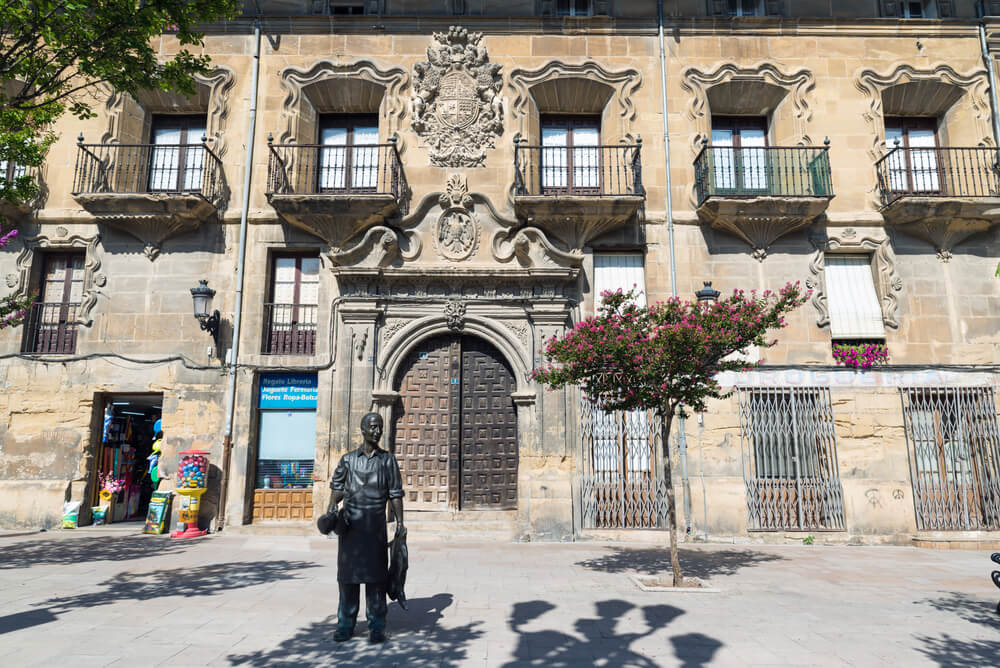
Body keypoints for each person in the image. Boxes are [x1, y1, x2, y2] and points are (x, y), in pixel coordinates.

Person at [321, 412, 404, 643]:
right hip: (350, 528)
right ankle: (345, 624)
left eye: (380, 427)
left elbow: (395, 494)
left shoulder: (388, 460)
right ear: (363, 429)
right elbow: (337, 487)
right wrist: (331, 507)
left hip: (376, 528)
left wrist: (401, 523)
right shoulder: (348, 460)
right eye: (373, 427)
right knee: (348, 578)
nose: (377, 431)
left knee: (376, 579)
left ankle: (377, 626)